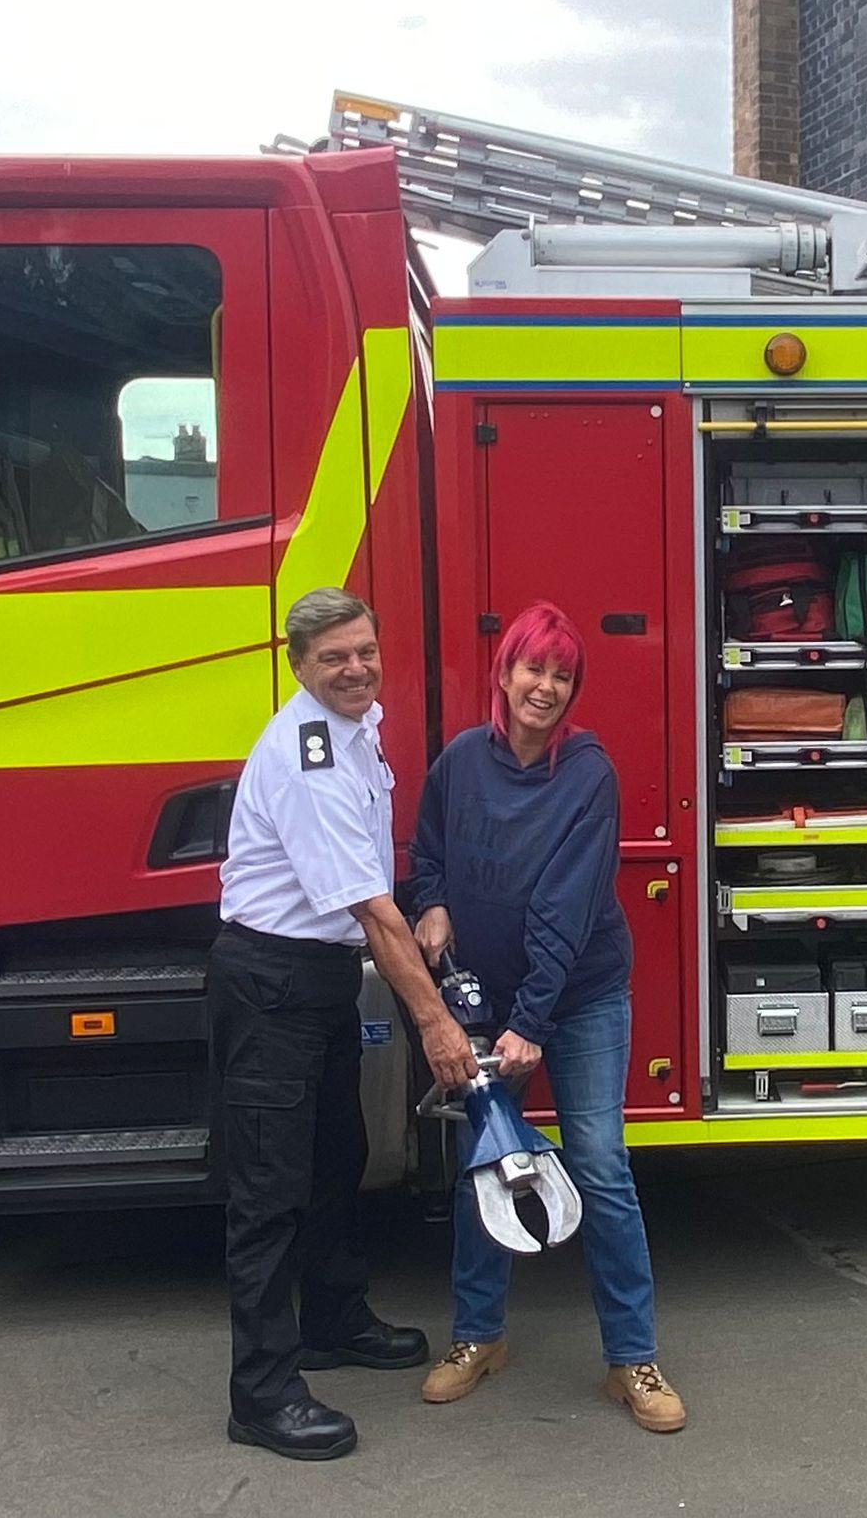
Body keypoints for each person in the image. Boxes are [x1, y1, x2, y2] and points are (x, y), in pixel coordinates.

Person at [212, 585, 480, 1462]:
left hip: (318, 980)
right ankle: (261, 1393)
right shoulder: (308, 753)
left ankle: (330, 1320)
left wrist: (424, 912)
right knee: (269, 1191)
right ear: (299, 667)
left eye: (365, 650)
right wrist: (437, 1027)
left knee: (337, 1162)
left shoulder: (358, 730)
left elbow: (372, 887)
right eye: (335, 658)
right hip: (273, 986)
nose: (356, 667)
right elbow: (371, 911)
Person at [407, 601, 685, 1434]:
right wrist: (433, 903)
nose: (547, 687)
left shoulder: (587, 773)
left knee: (599, 1165)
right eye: (536, 669)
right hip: (486, 1000)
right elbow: (427, 850)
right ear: (505, 672)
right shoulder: (460, 760)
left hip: (579, 996)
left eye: (563, 677)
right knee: (485, 1166)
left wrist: (531, 1020)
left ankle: (632, 1358)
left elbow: (566, 909)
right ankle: (477, 1337)